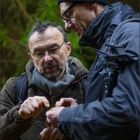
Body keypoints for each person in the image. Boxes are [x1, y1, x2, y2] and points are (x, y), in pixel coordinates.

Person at [44, 1, 140, 140]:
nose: (67, 26)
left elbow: (127, 113)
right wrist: (78, 110)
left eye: (68, 15)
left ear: (90, 3)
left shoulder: (131, 35)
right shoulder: (108, 45)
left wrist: (64, 115)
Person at [0, 21, 88, 140]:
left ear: (68, 48)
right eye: (39, 53)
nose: (47, 59)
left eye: (53, 49)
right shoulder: (15, 88)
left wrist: (77, 120)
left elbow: (112, 129)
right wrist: (20, 115)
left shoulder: (90, 83)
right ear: (31, 57)